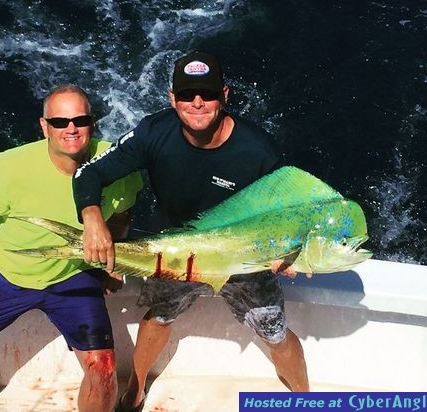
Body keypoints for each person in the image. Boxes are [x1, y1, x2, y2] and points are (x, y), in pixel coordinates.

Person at [73, 51, 310, 411]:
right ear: (172, 99)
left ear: (225, 96)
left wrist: (289, 250)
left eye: (207, 94)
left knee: (274, 331)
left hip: (242, 258)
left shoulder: (258, 150)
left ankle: (306, 400)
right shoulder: (153, 132)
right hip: (176, 253)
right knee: (160, 316)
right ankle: (134, 392)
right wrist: (92, 217)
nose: (197, 103)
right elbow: (89, 173)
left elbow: (288, 212)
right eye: (186, 95)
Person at [0, 84, 142, 411]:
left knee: (104, 370)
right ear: (44, 126)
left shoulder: (119, 167)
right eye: (60, 122)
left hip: (73, 273)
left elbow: (122, 212)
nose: (71, 128)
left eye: (80, 120)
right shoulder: (10, 169)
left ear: (92, 123)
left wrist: (109, 262)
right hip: (4, 274)